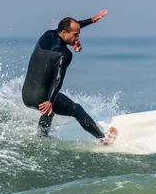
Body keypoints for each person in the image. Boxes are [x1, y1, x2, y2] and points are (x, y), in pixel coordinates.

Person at [22, 10, 117, 144]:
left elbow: (69, 28)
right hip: (41, 96)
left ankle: (42, 137)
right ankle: (103, 139)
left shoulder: (47, 35)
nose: (77, 38)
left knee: (50, 109)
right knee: (76, 110)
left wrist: (91, 20)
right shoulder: (64, 54)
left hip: (27, 94)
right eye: (75, 35)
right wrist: (50, 101)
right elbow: (58, 79)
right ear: (64, 33)